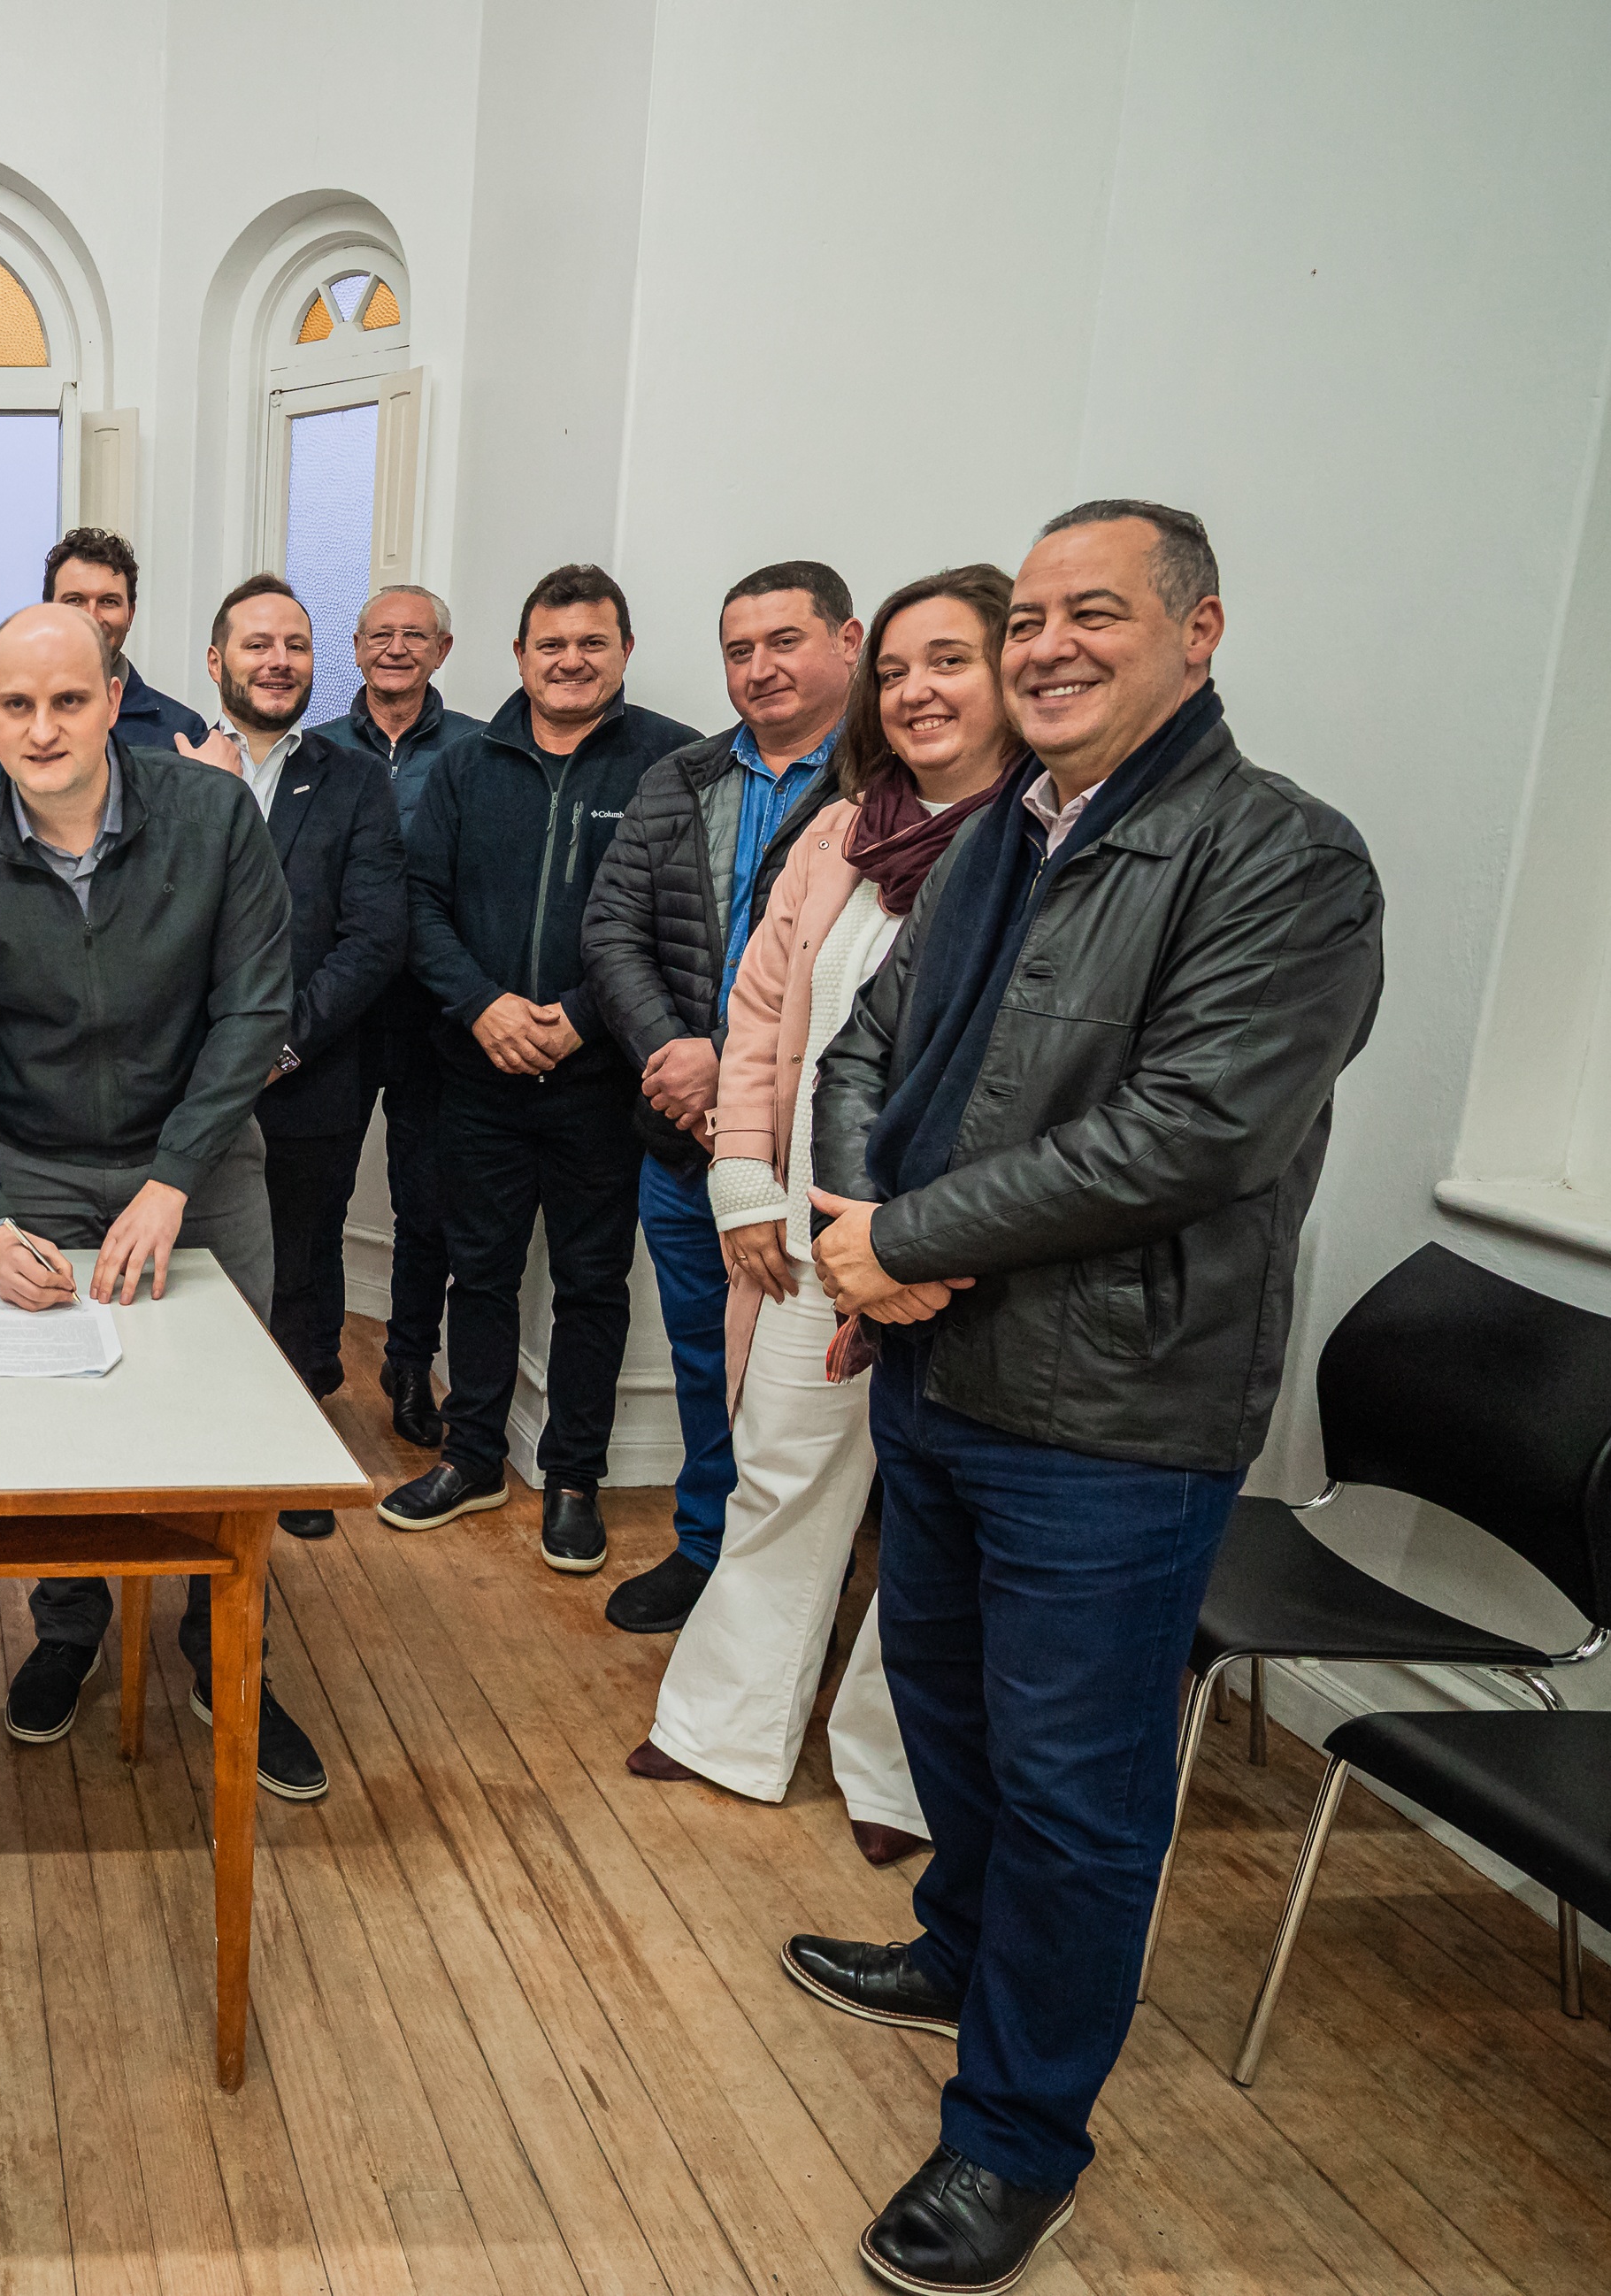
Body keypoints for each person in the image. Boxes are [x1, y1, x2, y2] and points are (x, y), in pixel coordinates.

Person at [788, 503, 1382, 2295]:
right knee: (949, 1713)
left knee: (1074, 1791)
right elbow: (868, 1045)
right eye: (1029, 615)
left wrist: (907, 1238)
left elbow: (1195, 1131)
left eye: (1093, 614)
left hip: (1115, 1414)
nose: (1045, 646)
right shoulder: (1003, 835)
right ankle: (961, 1952)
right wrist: (860, 1239)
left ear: (1199, 633)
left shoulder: (1286, 858)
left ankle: (1016, 2136)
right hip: (943, 1376)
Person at [0, 600, 328, 1802]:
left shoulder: (215, 818)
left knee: (227, 1422)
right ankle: (70, 1625)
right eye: (16, 705)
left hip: (198, 1156)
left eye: (68, 700)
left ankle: (221, 1644)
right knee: (57, 1424)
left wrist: (173, 1177)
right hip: (30, 1168)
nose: (42, 728)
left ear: (114, 700)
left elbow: (254, 1010)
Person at [631, 566, 1024, 1866]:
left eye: (948, 661)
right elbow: (758, 1018)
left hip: (960, 1256)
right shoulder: (844, 832)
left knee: (932, 1529)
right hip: (804, 1233)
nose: (917, 691)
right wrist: (747, 1183)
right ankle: (725, 1725)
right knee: (781, 1474)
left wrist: (925, 1243)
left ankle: (896, 1775)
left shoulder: (1044, 844)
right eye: (900, 670)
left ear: (1011, 671)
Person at [378, 566, 702, 1570]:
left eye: (591, 643)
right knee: (477, 1270)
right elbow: (418, 903)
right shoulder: (467, 763)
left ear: (625, 651)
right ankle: (473, 1456)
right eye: (550, 644)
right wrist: (481, 1005)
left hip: (600, 1082)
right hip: (477, 1070)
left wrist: (583, 1019)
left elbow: (675, 924)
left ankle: (573, 1478)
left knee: (591, 1283)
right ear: (519, 655)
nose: (570, 661)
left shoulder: (672, 765)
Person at [580, 563, 863, 1634]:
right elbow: (612, 928)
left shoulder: (886, 785)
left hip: (820, 1150)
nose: (759, 668)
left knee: (805, 1383)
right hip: (683, 1136)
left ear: (849, 642)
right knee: (706, 1355)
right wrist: (675, 1053)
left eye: (784, 642)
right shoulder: (682, 776)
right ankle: (707, 1547)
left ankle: (797, 1582)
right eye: (739, 650)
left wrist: (733, 1062)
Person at [184, 576, 403, 1536]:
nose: (278, 662)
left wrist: (278, 1046)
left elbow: (374, 937)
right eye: (258, 644)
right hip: (182, 1081)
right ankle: (197, 1448)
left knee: (302, 1264)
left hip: (306, 1075)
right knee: (190, 1268)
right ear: (216, 660)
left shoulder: (354, 780)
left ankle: (292, 1455)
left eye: (297, 645)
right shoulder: (163, 768)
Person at [337, 585, 473, 1451]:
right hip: (340, 1012)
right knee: (314, 1198)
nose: (396, 648)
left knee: (429, 1205)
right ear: (356, 647)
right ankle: (307, 1360)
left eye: (414, 635)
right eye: (380, 635)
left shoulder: (478, 751)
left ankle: (410, 1362)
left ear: (442, 650)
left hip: (438, 1012)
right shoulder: (318, 750)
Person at [0, 528, 210, 801]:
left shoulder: (182, 730)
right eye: (74, 600)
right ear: (48, 608)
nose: (92, 617)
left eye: (108, 602)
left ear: (130, 614)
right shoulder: (0, 728)